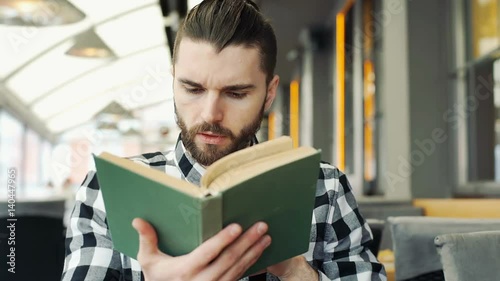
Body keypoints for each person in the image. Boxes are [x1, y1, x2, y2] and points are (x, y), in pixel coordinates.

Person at [61, 0, 387, 280]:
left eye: (235, 93)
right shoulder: (108, 189)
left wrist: (294, 272)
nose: (211, 113)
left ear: (269, 93)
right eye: (193, 89)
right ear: (174, 82)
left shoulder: (325, 187)